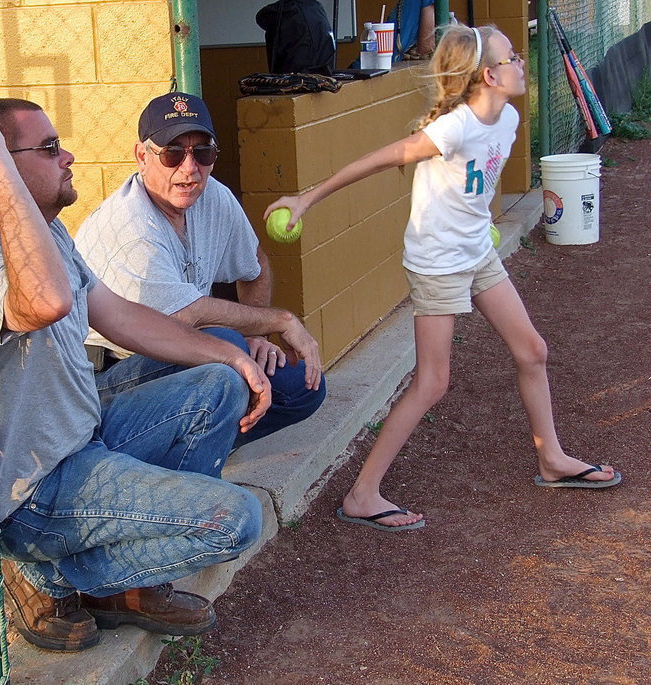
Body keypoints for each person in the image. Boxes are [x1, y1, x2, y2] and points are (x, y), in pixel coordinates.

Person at [0, 97, 274, 651]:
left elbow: (119, 316)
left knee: (221, 379)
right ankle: (43, 576)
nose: (69, 156)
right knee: (236, 518)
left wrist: (237, 357)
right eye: (50, 149)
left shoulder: (48, 236)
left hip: (83, 438)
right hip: (33, 492)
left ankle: (123, 584)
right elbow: (47, 301)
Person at [265, 24, 621, 532]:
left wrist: (485, 227)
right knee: (433, 381)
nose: (521, 61)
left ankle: (552, 458)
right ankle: (363, 494)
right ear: (489, 75)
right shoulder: (454, 128)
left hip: (476, 253)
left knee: (532, 351)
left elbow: (476, 185)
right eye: (512, 56)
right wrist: (305, 199)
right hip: (437, 263)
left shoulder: (510, 119)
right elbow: (379, 160)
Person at [74, 92, 326, 448]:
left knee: (302, 387)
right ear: (141, 157)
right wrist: (278, 321)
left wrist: (257, 339)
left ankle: (183, 446)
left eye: (202, 153)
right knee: (225, 349)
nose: (189, 169)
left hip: (172, 351)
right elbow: (184, 318)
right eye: (173, 153)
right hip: (105, 375)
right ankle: (147, 451)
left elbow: (254, 265)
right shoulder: (130, 228)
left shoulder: (212, 197)